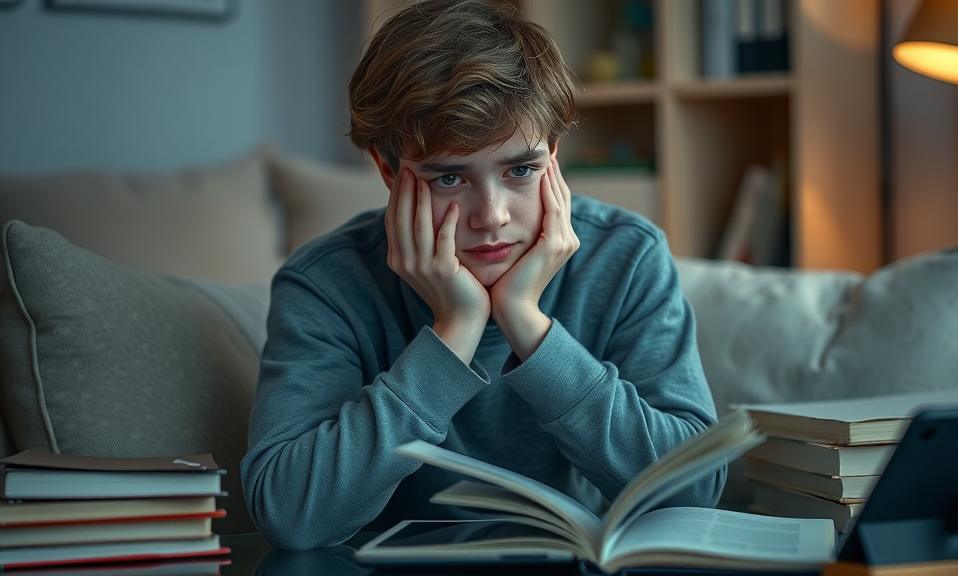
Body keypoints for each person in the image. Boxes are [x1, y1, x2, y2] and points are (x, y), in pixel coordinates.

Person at [241, 0, 723, 550]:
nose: (491, 215)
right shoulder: (324, 284)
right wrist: (455, 329)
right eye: (449, 177)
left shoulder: (628, 257)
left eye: (521, 169)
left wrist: (526, 324)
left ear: (554, 156)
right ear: (387, 169)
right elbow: (290, 516)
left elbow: (695, 489)